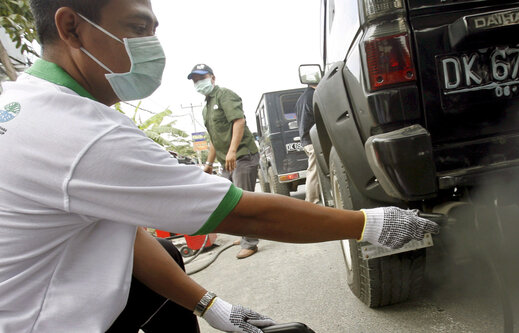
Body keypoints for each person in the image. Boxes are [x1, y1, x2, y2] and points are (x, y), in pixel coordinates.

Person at [0, 1, 439, 332]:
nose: (152, 47)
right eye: (136, 28)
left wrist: (211, 306)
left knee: (168, 252)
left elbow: (117, 231)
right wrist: (371, 223)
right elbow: (244, 210)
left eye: (153, 31)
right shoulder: (83, 134)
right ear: (71, 27)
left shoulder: (23, 105)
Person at [188, 64, 261, 259]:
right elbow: (214, 138)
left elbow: (239, 121)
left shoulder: (225, 95)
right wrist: (209, 165)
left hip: (242, 156)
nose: (198, 83)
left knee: (244, 201)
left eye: (201, 78)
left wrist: (232, 150)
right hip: (227, 161)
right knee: (228, 200)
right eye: (195, 80)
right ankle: (245, 235)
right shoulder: (206, 108)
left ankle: (250, 242)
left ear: (212, 78)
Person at [295, 83, 320, 205]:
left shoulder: (301, 98)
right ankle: (311, 202)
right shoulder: (313, 95)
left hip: (306, 139)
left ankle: (314, 199)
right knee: (313, 171)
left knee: (315, 170)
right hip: (312, 139)